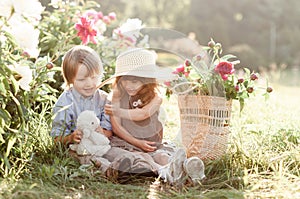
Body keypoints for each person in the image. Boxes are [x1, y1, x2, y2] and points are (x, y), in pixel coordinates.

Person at [101, 48, 205, 185]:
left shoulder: (156, 97)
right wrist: (137, 142)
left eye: (134, 82)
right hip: (127, 142)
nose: (128, 86)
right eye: (125, 81)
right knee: (144, 157)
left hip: (151, 142)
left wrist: (118, 111)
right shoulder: (117, 95)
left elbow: (143, 113)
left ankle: (187, 168)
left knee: (161, 155)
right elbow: (116, 127)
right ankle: (165, 173)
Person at [50, 45, 112, 172]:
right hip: (77, 147)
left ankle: (129, 165)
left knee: (113, 150)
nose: (89, 83)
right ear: (71, 79)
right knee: (82, 156)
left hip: (99, 144)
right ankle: (106, 170)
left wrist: (100, 132)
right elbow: (56, 138)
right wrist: (71, 138)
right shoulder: (65, 102)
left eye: (94, 77)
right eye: (82, 79)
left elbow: (109, 131)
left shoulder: (104, 99)